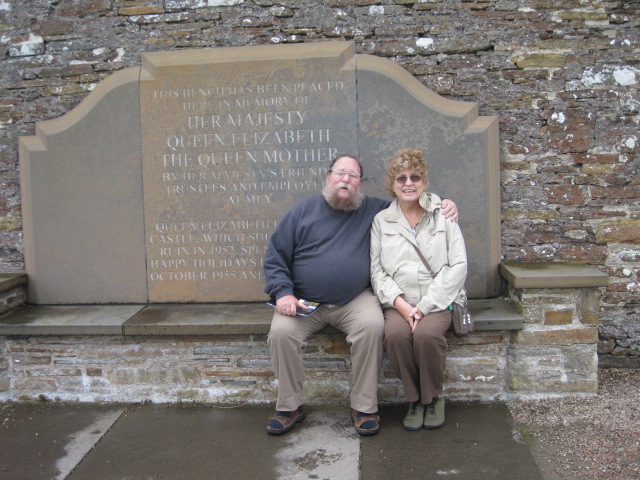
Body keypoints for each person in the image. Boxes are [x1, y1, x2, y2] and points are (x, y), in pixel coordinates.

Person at [263, 153, 458, 436]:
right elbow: (275, 257)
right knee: (281, 333)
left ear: (361, 183)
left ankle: (364, 406)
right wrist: (283, 293)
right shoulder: (301, 211)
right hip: (304, 301)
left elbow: (411, 198)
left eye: (353, 176)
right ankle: (290, 406)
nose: (345, 180)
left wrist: (443, 203)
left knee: (373, 326)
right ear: (328, 177)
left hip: (355, 298)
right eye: (340, 173)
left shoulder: (375, 210)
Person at [370, 148, 467, 431]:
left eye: (415, 177)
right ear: (393, 184)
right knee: (396, 335)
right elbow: (377, 271)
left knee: (426, 335)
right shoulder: (381, 222)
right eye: (401, 178)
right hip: (399, 302)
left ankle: (433, 397)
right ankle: (414, 398)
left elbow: (457, 266)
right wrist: (401, 305)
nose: (408, 183)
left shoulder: (443, 215)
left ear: (424, 181)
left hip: (437, 300)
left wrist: (423, 307)